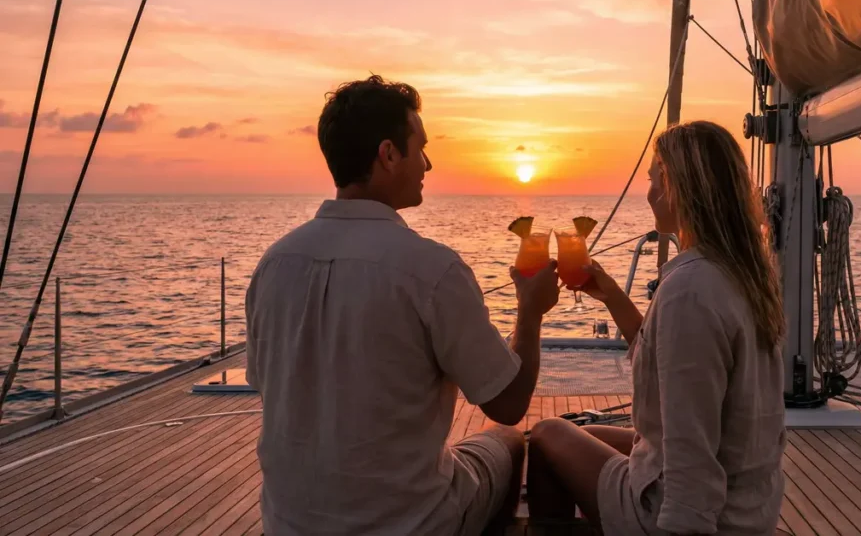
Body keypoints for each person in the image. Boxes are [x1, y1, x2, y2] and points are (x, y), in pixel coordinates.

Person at [245, 75, 560, 535]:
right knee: (509, 441)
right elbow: (509, 404)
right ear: (389, 155)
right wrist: (530, 311)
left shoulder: (274, 264)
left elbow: (265, 383)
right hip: (410, 524)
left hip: (287, 525)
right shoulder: (432, 271)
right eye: (422, 148)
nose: (428, 163)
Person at [526, 120, 787, 535]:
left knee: (546, 435)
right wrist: (611, 294)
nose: (647, 192)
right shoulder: (742, 273)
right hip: (749, 504)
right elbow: (665, 360)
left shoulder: (689, 289)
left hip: (694, 518)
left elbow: (690, 452)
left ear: (674, 185)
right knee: (593, 433)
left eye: (653, 178)